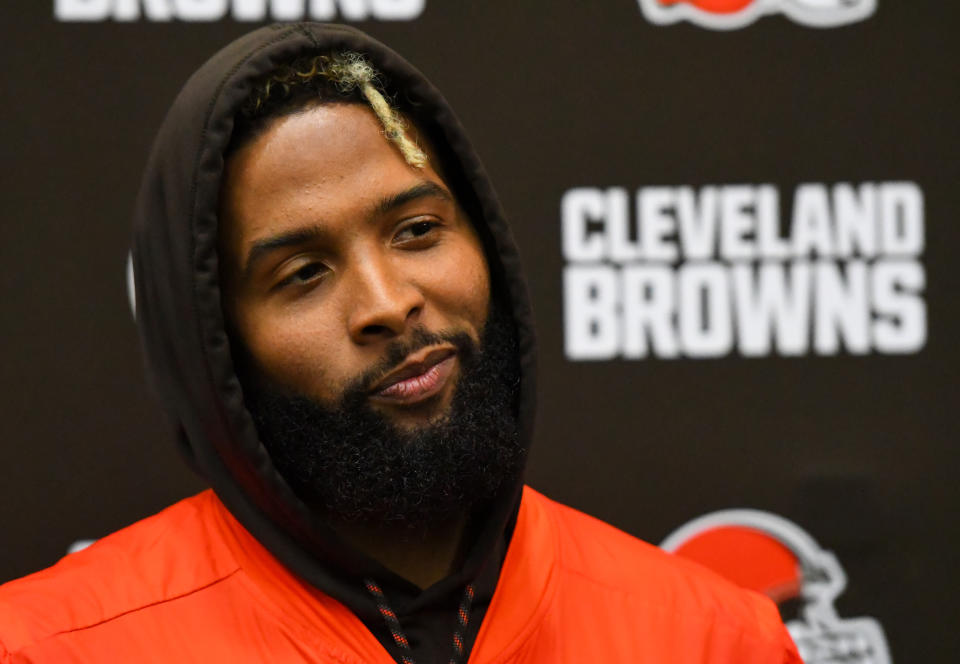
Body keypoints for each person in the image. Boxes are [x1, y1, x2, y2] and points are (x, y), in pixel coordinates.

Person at [0, 24, 800, 664]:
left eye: (417, 231)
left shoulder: (712, 641)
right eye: (304, 274)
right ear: (214, 347)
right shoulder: (50, 647)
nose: (389, 304)